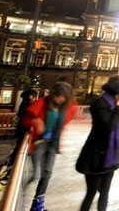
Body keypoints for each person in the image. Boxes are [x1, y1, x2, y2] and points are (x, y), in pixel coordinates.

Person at [76, 75, 119, 211]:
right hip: (95, 155)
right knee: (92, 192)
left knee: (105, 191)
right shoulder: (100, 103)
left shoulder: (115, 104)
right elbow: (110, 125)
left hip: (110, 154)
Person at [23, 82, 76, 211]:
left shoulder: (66, 108)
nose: (59, 99)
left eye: (63, 97)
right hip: (39, 144)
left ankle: (37, 205)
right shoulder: (42, 103)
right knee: (34, 175)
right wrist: (36, 121)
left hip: (52, 144)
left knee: (47, 174)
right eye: (57, 96)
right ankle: (19, 195)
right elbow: (25, 120)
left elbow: (68, 117)